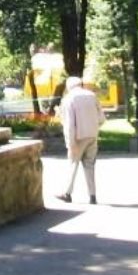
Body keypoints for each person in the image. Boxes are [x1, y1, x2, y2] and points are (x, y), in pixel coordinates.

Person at [55, 75, 106, 205]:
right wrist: (94, 128)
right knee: (90, 165)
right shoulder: (91, 95)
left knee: (73, 163)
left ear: (68, 87)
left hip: (78, 137)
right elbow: (101, 118)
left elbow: (69, 124)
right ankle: (92, 196)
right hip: (92, 135)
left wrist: (70, 143)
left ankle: (67, 193)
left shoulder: (68, 99)